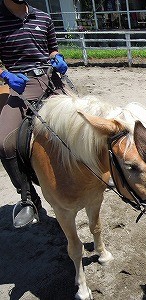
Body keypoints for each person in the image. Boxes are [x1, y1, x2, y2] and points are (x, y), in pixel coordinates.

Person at [0, 0, 69, 227]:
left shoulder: (43, 17)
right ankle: (28, 198)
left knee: (82, 121)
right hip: (20, 82)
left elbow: (52, 48)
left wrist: (56, 58)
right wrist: (5, 75)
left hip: (50, 78)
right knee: (5, 143)